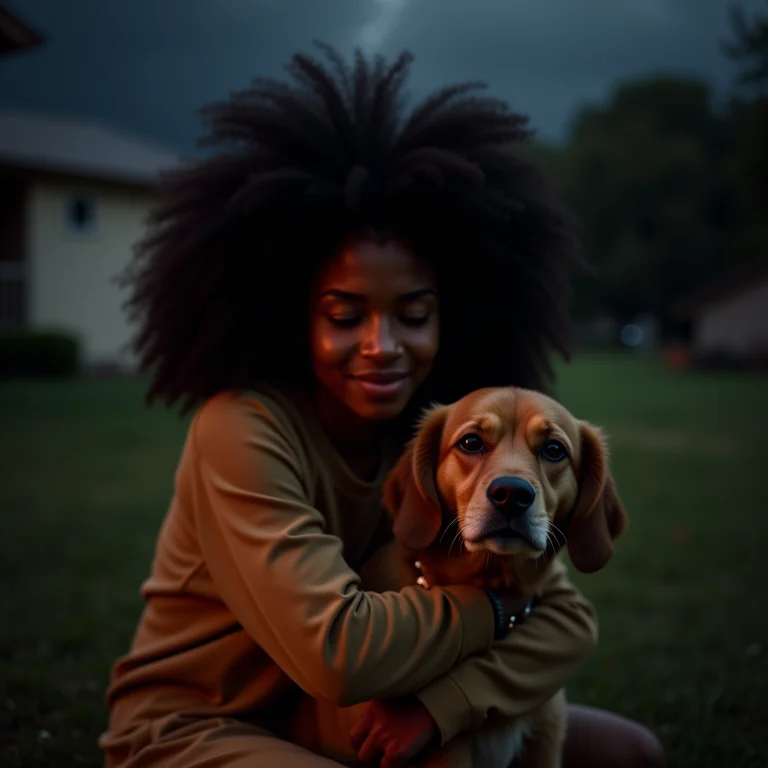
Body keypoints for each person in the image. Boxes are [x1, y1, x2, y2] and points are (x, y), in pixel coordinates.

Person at [100, 45, 666, 768]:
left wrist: (444, 706)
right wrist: (502, 610)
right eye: (344, 314)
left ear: (451, 316)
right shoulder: (239, 429)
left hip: (390, 696)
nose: (381, 346)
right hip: (206, 725)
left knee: (631, 752)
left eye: (414, 313)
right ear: (290, 315)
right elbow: (339, 653)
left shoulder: (431, 431)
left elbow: (571, 621)